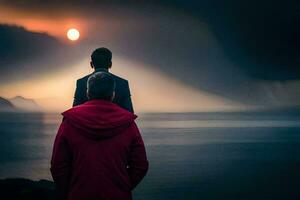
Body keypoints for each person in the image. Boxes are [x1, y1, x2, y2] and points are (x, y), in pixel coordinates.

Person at [51, 72, 148, 200]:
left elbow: (58, 166)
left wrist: (70, 190)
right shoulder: (128, 123)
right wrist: (123, 186)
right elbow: (140, 165)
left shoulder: (70, 122)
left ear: (88, 93)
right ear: (113, 94)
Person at [73, 47, 134, 113]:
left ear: (91, 64)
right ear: (110, 64)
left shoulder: (81, 83)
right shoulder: (123, 83)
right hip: (116, 122)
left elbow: (75, 110)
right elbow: (129, 112)